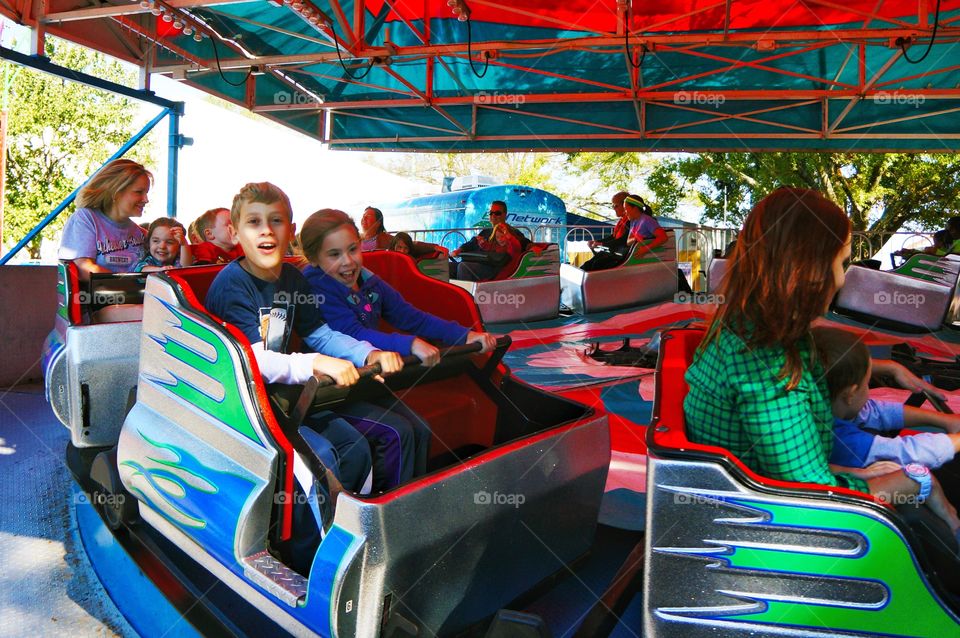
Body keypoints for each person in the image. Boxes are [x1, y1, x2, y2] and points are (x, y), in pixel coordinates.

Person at [683, 187, 960, 560]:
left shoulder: (743, 324)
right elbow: (813, 496)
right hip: (779, 518)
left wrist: (886, 367)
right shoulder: (769, 366)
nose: (843, 279)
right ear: (807, 268)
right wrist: (914, 480)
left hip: (782, 481)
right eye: (842, 263)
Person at [205, 182, 405, 500]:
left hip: (283, 401)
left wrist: (368, 354)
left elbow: (320, 334)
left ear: (291, 231)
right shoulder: (233, 286)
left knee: (355, 448)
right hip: (241, 408)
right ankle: (307, 543)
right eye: (254, 222)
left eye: (276, 221)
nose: (267, 231)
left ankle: (354, 524)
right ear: (234, 233)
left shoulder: (292, 279)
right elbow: (254, 361)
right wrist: (314, 362)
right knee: (320, 458)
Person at [299, 209, 497, 489]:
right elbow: (352, 334)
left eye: (353, 249)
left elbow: (411, 316)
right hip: (332, 391)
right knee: (396, 432)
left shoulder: (368, 281)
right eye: (334, 255)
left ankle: (412, 499)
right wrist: (410, 344)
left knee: (421, 429)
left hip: (367, 382)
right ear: (315, 259)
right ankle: (384, 509)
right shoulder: (315, 287)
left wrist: (464, 335)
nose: (348, 262)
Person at [813, 327, 960, 473]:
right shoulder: (843, 440)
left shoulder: (819, 407)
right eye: (867, 383)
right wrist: (957, 440)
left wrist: (944, 420)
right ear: (850, 394)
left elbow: (874, 412)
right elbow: (904, 453)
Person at [58, 159, 151, 278]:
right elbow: (83, 268)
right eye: (139, 192)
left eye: (146, 193)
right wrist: (130, 284)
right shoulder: (86, 219)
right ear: (116, 192)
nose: (146, 199)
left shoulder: (142, 234)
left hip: (136, 296)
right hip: (92, 296)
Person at [451, 200, 530, 281]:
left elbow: (524, 243)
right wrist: (459, 250)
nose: (493, 215)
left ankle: (463, 293)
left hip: (496, 269)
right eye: (491, 213)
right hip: (480, 263)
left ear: (505, 215)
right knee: (450, 267)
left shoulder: (511, 231)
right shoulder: (486, 232)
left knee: (463, 267)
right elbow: (472, 243)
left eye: (497, 213)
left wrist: (532, 247)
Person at [580, 191, 630, 271]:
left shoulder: (630, 221)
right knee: (588, 264)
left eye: (616, 206)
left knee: (597, 264)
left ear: (625, 206)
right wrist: (597, 241)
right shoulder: (622, 221)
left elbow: (623, 240)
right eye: (613, 206)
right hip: (616, 251)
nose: (614, 208)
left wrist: (602, 243)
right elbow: (613, 237)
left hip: (621, 254)